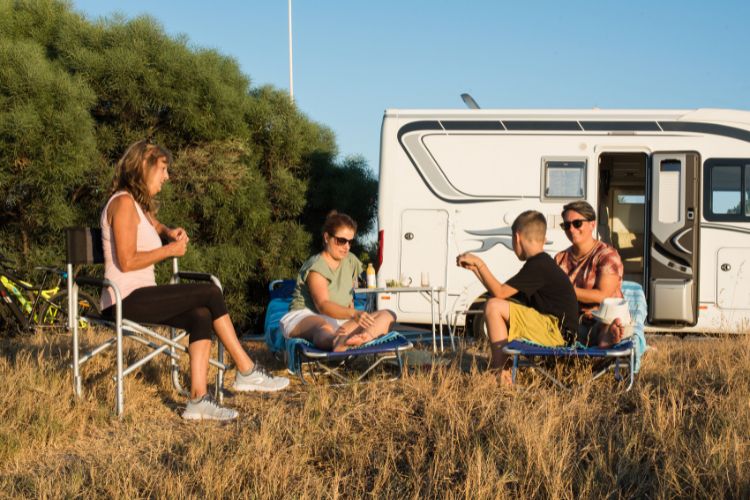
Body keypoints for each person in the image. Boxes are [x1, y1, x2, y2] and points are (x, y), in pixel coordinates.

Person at [100, 139, 289, 421]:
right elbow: (126, 261)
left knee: (200, 315)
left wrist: (168, 231)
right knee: (211, 292)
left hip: (140, 295)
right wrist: (169, 251)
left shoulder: (136, 204)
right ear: (143, 165)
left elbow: (153, 224)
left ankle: (198, 399)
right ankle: (246, 370)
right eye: (163, 169)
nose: (167, 176)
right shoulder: (123, 203)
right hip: (122, 298)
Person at [457, 211, 580, 385]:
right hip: (556, 330)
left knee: (493, 306)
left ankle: (501, 373)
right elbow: (504, 295)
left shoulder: (538, 265)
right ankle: (503, 368)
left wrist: (480, 264)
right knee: (497, 305)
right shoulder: (541, 264)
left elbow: (499, 293)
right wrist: (475, 270)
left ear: (517, 237)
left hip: (556, 332)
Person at [279, 212, 396, 352]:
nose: (347, 246)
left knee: (388, 315)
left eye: (350, 241)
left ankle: (362, 338)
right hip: (307, 316)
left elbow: (357, 286)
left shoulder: (350, 260)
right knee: (323, 327)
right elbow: (323, 305)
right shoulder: (316, 266)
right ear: (327, 237)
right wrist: (353, 314)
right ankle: (337, 342)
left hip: (338, 320)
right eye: (341, 241)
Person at [554, 200, 626, 347]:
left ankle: (606, 335)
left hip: (601, 317)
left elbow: (602, 296)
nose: (571, 229)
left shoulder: (606, 255)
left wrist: (566, 291)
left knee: (603, 323)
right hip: (571, 320)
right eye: (566, 225)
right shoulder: (560, 258)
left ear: (592, 224)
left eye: (577, 223)